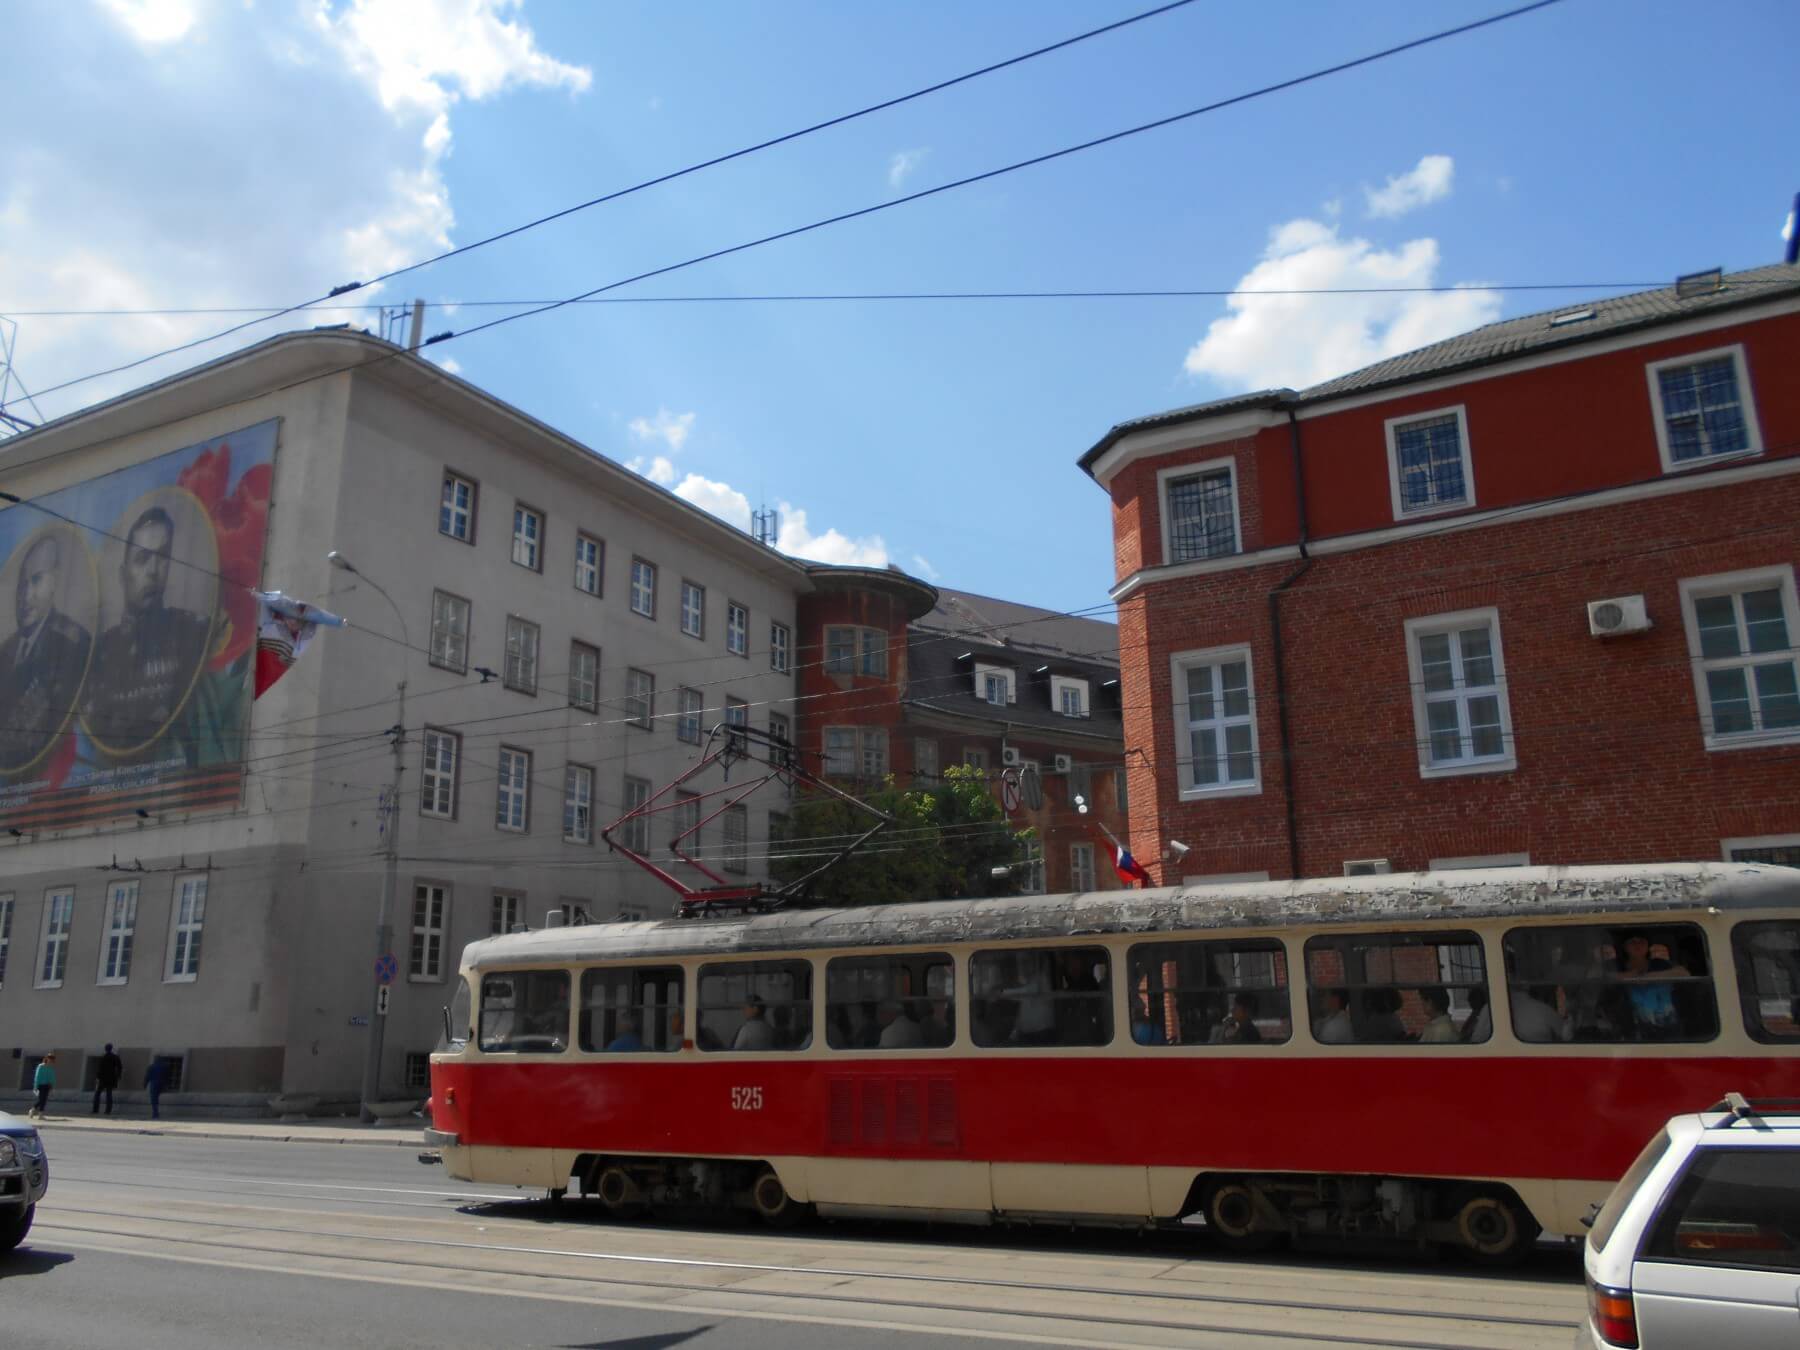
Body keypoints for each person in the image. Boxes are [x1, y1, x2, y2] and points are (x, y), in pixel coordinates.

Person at [81, 506, 212, 756]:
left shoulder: (193, 632)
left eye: (162, 557)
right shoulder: (97, 654)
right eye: (142, 559)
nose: (153, 571)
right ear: (123, 575)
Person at [0, 533, 92, 771]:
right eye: (22, 584)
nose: (25, 596)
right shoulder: (5, 652)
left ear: (54, 583)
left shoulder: (73, 643)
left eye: (36, 580)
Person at [1616, 932, 1686, 1039]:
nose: (1637, 944)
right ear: (1624, 947)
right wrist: (1630, 976)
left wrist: (1649, 976)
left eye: (1642, 941)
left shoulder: (1660, 964)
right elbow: (1601, 976)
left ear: (1648, 945)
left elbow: (1683, 973)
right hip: (1635, 1029)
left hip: (1670, 1026)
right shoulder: (1618, 967)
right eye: (1632, 942)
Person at [93, 1042, 123, 1114]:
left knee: (97, 1094)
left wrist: (97, 1077)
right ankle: (108, 1110)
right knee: (109, 1094)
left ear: (105, 1049)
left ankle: (95, 1109)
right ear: (111, 1048)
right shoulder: (115, 1057)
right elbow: (120, 1067)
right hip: (111, 1078)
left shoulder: (103, 1057)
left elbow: (100, 1068)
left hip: (103, 1078)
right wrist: (118, 1076)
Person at [29, 1053, 56, 1119]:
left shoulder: (51, 1068)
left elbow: (52, 1078)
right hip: (40, 1085)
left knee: (44, 1100)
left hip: (47, 1085)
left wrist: (53, 1086)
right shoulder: (40, 1066)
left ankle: (40, 1114)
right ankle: (33, 1110)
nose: (50, 1061)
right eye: (49, 1059)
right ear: (46, 1059)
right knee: (41, 1099)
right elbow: (37, 1076)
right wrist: (35, 1086)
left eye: (52, 1060)